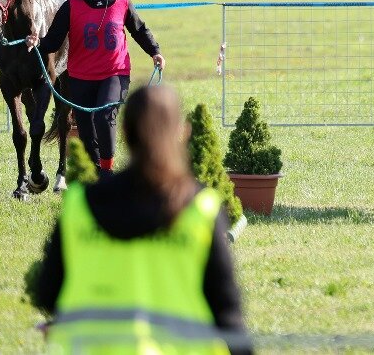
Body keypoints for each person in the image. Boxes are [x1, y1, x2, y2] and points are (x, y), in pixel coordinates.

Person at [33, 84, 248, 354]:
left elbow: (47, 292)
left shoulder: (78, 205)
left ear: (124, 132)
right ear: (182, 133)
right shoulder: (201, 209)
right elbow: (228, 312)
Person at [27, 0, 165, 173]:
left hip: (115, 73)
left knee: (103, 117)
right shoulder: (71, 5)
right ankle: (95, 170)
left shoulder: (121, 0)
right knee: (86, 128)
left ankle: (107, 171)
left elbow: (138, 29)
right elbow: (52, 41)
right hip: (81, 77)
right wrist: (36, 43)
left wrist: (155, 51)